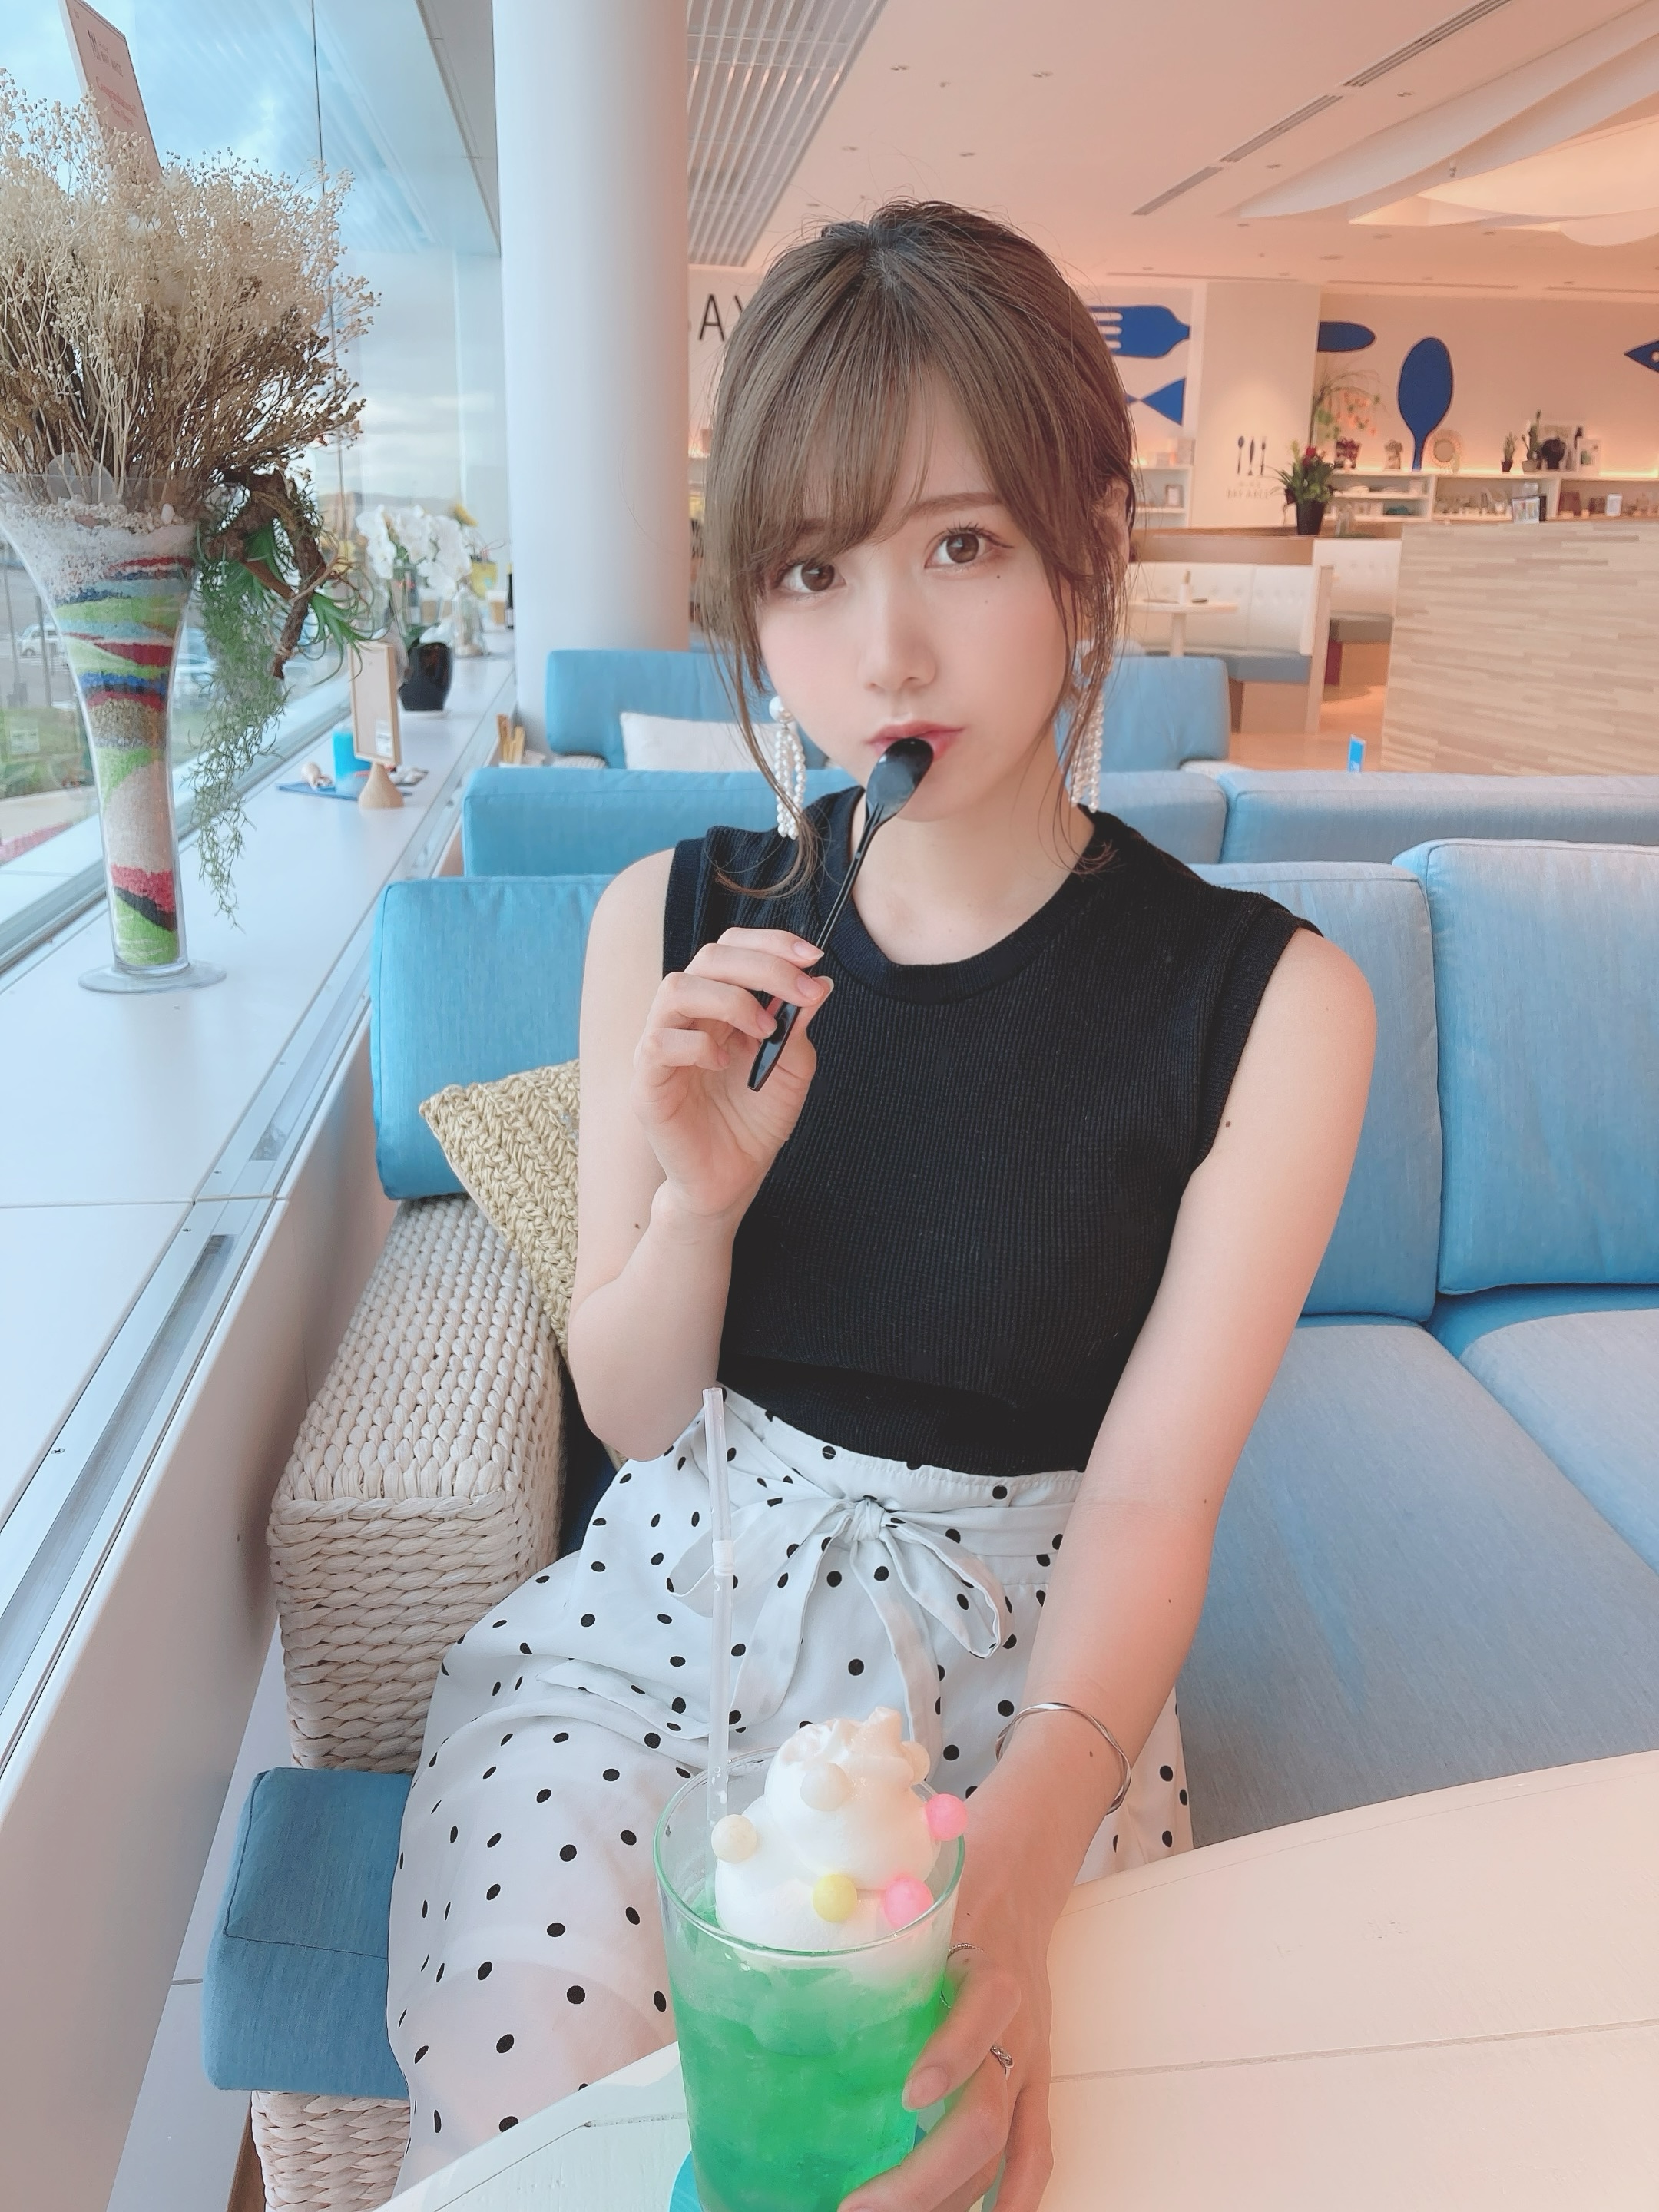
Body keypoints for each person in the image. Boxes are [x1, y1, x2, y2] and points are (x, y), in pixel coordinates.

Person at [386, 202, 1373, 2207]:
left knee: (931, 2152)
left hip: (1023, 1677)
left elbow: (1153, 1502)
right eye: (813, 571)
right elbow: (634, 1416)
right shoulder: (667, 921)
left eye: (965, 546)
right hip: (669, 1618)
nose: (885, 653)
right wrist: (697, 1208)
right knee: (546, 2092)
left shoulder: (1273, 1007)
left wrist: (1018, 1853)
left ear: (1088, 548)